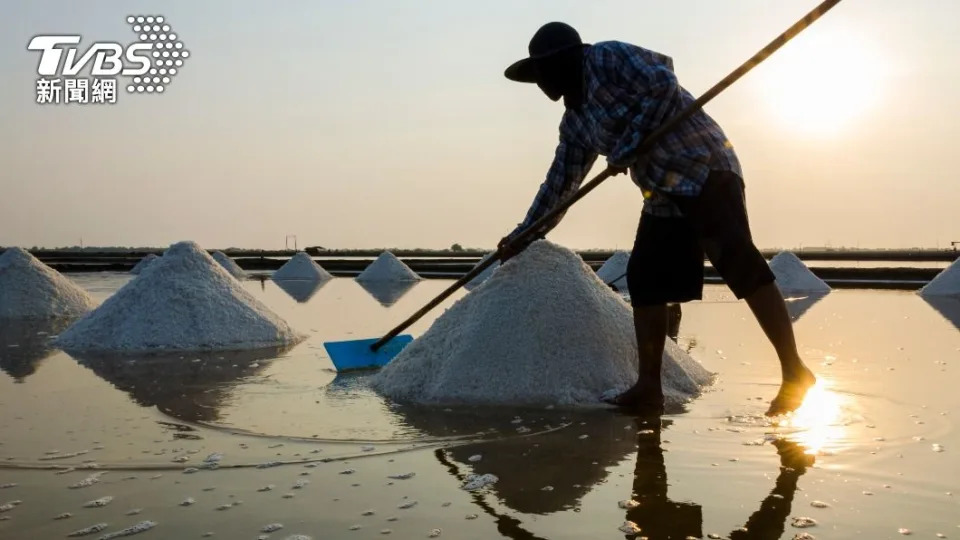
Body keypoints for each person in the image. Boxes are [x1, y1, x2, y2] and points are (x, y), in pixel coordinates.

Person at [498, 22, 815, 416]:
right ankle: (649, 386)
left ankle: (793, 370)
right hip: (661, 190)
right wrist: (524, 234)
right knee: (644, 278)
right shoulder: (576, 124)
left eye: (543, 71)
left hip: (703, 165)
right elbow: (559, 186)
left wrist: (629, 144)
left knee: (736, 260)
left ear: (564, 62)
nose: (541, 83)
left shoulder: (606, 57)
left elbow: (662, 83)